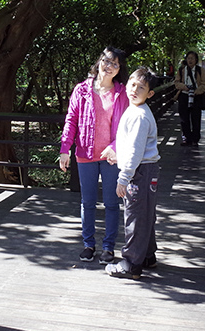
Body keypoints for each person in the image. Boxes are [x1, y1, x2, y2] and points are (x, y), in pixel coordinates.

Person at [59, 46, 129, 265]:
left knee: (111, 203)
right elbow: (71, 120)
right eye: (106, 61)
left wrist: (116, 147)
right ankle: (88, 244)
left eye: (114, 64)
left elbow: (127, 126)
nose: (109, 66)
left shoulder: (122, 93)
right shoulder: (81, 90)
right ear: (99, 62)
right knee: (87, 202)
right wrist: (64, 149)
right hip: (85, 153)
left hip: (110, 157)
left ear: (119, 70)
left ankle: (108, 247)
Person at [105, 66, 160, 280]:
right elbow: (134, 147)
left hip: (140, 172)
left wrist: (123, 178)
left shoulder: (139, 115)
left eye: (142, 87)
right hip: (145, 168)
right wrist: (120, 156)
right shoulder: (136, 110)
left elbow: (137, 152)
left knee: (135, 216)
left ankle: (131, 263)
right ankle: (147, 255)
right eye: (133, 84)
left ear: (150, 93)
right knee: (145, 213)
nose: (135, 90)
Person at [174, 50, 205, 146]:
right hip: (184, 95)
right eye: (188, 58)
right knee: (184, 119)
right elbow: (176, 82)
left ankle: (195, 139)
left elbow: (204, 84)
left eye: (192, 58)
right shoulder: (181, 70)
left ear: (196, 60)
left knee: (196, 118)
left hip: (196, 96)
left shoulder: (200, 71)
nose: (190, 60)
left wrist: (197, 91)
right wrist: (183, 86)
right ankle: (187, 138)